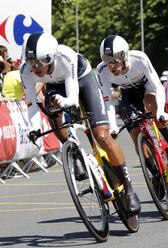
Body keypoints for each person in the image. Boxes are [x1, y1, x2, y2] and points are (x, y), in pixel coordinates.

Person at [20, 32, 141, 215]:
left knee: (102, 136)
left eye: (39, 62)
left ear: (51, 57)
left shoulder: (65, 56)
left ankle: (129, 190)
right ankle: (74, 152)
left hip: (82, 81)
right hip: (55, 86)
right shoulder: (26, 71)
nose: (35, 67)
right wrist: (34, 128)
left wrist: (65, 101)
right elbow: (32, 105)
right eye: (31, 62)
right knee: (52, 110)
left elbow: (73, 99)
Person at [96, 35, 168, 172]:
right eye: (107, 61)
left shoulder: (139, 58)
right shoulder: (102, 71)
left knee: (151, 103)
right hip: (128, 94)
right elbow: (108, 103)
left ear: (124, 56)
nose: (112, 66)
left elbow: (158, 86)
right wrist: (113, 125)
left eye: (115, 60)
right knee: (135, 134)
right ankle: (153, 170)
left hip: (147, 87)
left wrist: (161, 111)